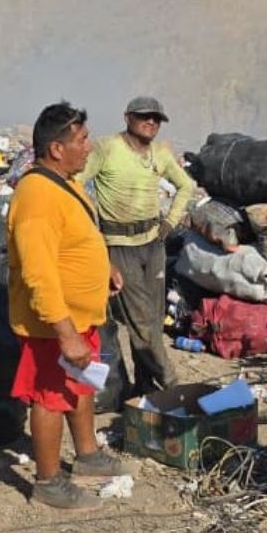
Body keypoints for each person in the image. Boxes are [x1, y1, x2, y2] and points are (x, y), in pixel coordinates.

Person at [7, 102, 132, 511]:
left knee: (79, 385)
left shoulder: (66, 183)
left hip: (80, 317)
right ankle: (47, 481)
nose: (88, 147)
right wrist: (64, 332)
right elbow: (38, 272)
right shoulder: (37, 195)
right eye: (81, 140)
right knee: (49, 396)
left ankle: (88, 454)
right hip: (53, 325)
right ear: (57, 149)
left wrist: (104, 267)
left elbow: (78, 238)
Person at [81, 95, 195, 394]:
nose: (151, 123)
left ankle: (144, 388)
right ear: (127, 117)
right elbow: (77, 183)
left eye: (156, 119)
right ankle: (173, 386)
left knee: (152, 322)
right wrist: (93, 228)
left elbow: (186, 186)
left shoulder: (160, 154)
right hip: (118, 245)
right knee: (141, 322)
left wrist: (169, 222)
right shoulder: (107, 148)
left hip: (152, 244)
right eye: (144, 116)